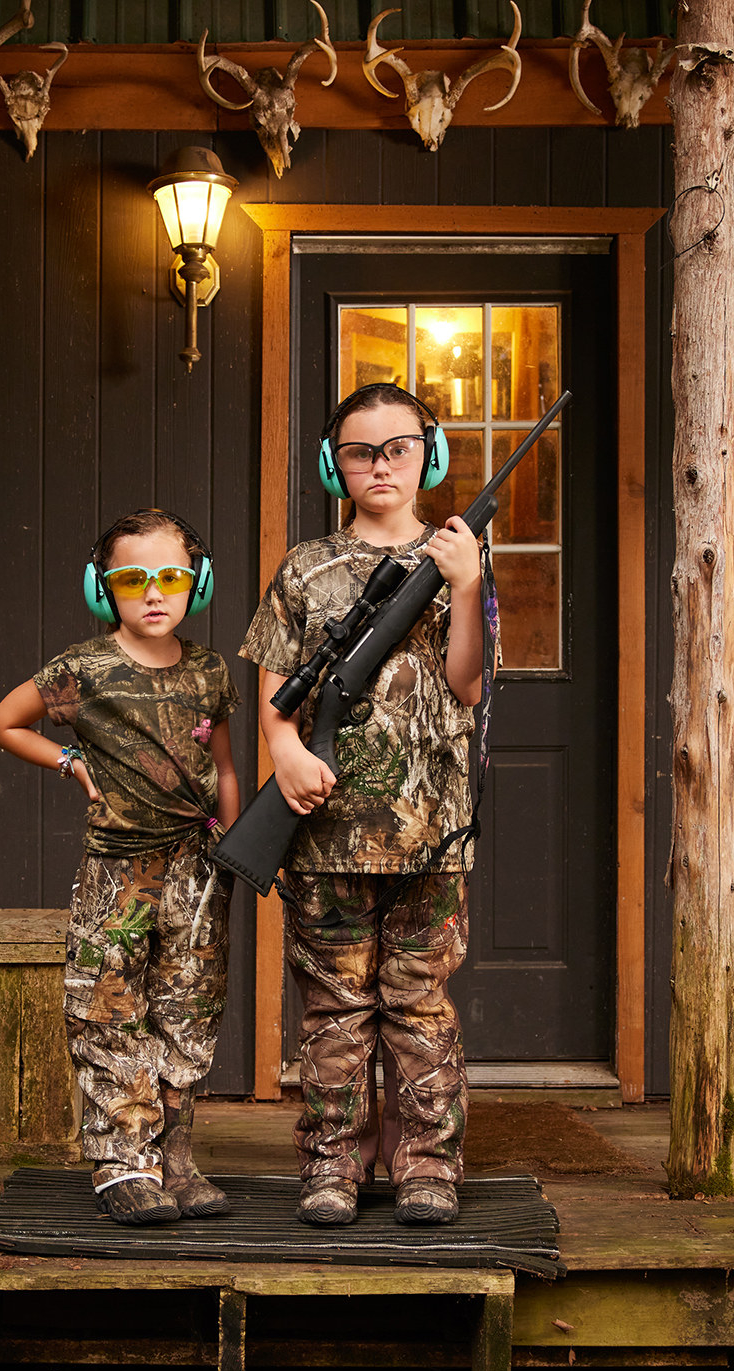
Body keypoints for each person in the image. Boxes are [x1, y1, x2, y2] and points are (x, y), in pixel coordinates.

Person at [240, 384, 494, 1228]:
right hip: (325, 833)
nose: (380, 465)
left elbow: (467, 684)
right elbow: (274, 684)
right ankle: (330, 1168)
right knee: (333, 1012)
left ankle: (427, 1165)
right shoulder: (306, 566)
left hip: (431, 835)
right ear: (332, 462)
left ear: (431, 455)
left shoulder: (460, 557)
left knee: (420, 1006)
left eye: (398, 448)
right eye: (359, 450)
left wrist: (464, 586)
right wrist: (283, 752)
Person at [0, 510, 241, 1226]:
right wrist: (67, 759)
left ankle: (174, 1155)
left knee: (189, 1006)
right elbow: (4, 722)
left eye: (171, 577)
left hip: (197, 869)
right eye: (132, 578)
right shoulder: (84, 669)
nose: (153, 593)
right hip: (118, 872)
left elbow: (222, 765)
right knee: (109, 1009)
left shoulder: (210, 670)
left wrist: (234, 841)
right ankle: (123, 1162)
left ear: (198, 583)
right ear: (105, 589)